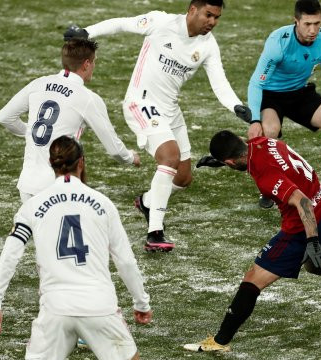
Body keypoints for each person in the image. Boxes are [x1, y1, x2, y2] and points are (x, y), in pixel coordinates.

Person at [183, 130, 321, 353]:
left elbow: (303, 202)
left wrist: (312, 242)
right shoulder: (262, 141)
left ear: (230, 161)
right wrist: (223, 162)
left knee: (253, 279)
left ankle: (220, 342)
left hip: (305, 226)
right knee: (317, 266)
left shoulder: (266, 175)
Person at [65, 0, 251, 251]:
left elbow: (219, 82)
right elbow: (122, 24)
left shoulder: (208, 45)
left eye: (216, 18)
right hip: (141, 102)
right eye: (208, 15)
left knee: (183, 178)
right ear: (192, 10)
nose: (212, 22)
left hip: (170, 110)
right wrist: (87, 32)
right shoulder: (161, 22)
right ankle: (155, 233)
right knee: (170, 157)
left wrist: (236, 106)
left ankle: (147, 201)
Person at [0, 136, 153, 360]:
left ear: (51, 164)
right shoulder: (103, 204)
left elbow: (10, 256)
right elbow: (125, 260)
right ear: (81, 162)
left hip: (55, 310)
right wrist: (141, 304)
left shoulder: (32, 205)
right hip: (99, 307)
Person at [215, 0, 321, 208]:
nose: (313, 30)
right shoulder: (278, 44)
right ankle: (269, 189)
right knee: (268, 133)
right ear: (295, 21)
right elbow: (256, 82)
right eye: (307, 24)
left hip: (299, 93)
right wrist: (254, 119)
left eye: (317, 23)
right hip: (271, 96)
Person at [0, 39, 140, 203]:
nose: (94, 66)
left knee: (31, 229)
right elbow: (114, 149)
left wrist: (31, 132)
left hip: (27, 185)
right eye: (94, 62)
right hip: (58, 188)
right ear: (86, 64)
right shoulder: (88, 98)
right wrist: (131, 157)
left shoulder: (38, 83)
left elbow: (4, 117)